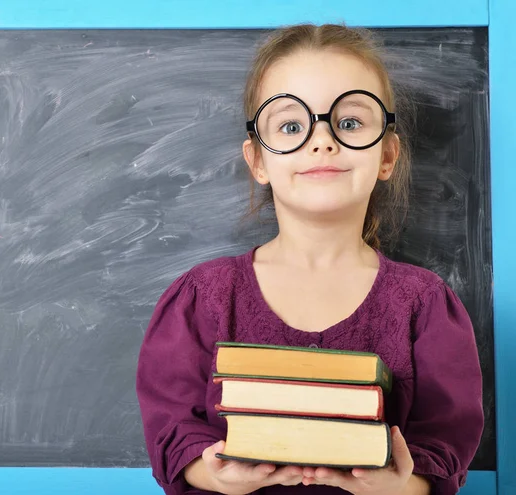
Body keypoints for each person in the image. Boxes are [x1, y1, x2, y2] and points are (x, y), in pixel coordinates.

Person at [136, 23, 484, 495]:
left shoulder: (425, 306)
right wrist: (213, 472)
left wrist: (396, 485)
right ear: (258, 161)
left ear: (387, 156)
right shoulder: (203, 299)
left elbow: (443, 452)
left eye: (349, 122)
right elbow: (173, 433)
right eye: (291, 126)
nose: (322, 141)